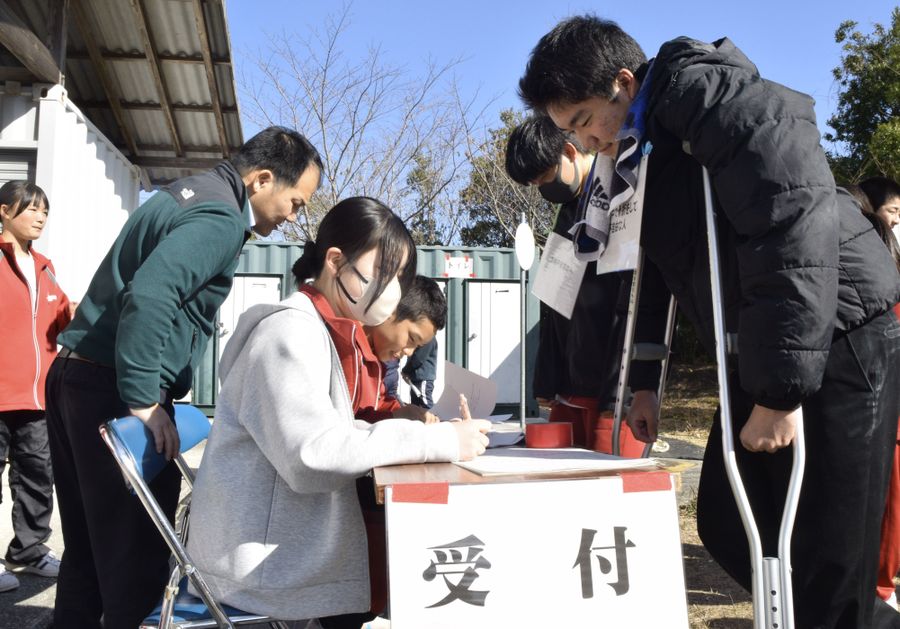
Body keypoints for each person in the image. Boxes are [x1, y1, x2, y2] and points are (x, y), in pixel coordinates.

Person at [519, 16, 900, 629]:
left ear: (623, 83)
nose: (585, 144)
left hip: (837, 329)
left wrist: (779, 394)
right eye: (571, 131)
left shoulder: (709, 97)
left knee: (834, 558)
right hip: (762, 338)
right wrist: (647, 375)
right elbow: (656, 264)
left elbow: (790, 219)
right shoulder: (637, 151)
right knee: (727, 522)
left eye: (585, 121)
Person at [45, 126, 323, 628]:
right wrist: (145, 400)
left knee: (87, 550)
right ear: (262, 180)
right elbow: (151, 296)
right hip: (114, 387)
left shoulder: (191, 192)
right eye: (296, 202)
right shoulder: (219, 217)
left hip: (76, 376)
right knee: (135, 564)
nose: (293, 217)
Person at [186, 197, 489, 625]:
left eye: (400, 278)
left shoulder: (330, 332)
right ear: (335, 261)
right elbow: (313, 457)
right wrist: (434, 439)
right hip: (263, 569)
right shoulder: (288, 333)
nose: (394, 291)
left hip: (289, 547)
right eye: (386, 274)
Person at [504, 115, 634, 453]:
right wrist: (547, 377)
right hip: (571, 385)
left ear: (569, 151)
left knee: (614, 489)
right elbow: (554, 299)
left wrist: (620, 390)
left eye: (546, 176)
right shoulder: (568, 211)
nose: (545, 188)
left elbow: (631, 297)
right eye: (536, 184)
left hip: (615, 386)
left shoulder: (623, 192)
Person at [0, 181, 71, 592]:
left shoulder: (45, 266)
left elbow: (63, 320)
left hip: (36, 397)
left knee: (37, 477)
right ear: (5, 212)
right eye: (31, 209)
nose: (40, 216)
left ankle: (28, 551)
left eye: (45, 210)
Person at [370, 275, 446, 413]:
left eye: (417, 346)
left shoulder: (383, 360)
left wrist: (403, 414)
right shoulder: (345, 351)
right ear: (389, 310)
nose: (409, 352)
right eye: (411, 338)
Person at [402, 338, 439, 409]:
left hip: (423, 377)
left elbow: (418, 359)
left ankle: (432, 418)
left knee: (425, 403)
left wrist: (406, 370)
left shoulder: (428, 339)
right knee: (416, 405)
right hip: (417, 377)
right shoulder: (425, 338)